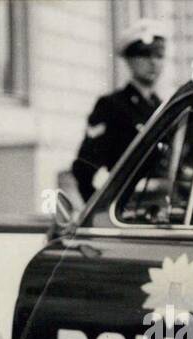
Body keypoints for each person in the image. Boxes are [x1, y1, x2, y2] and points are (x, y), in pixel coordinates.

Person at [72, 19, 167, 202]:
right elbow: (83, 169)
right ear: (129, 60)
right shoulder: (112, 106)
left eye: (159, 55)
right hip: (128, 210)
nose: (153, 62)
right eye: (144, 55)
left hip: (162, 206)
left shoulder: (162, 106)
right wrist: (98, 213)